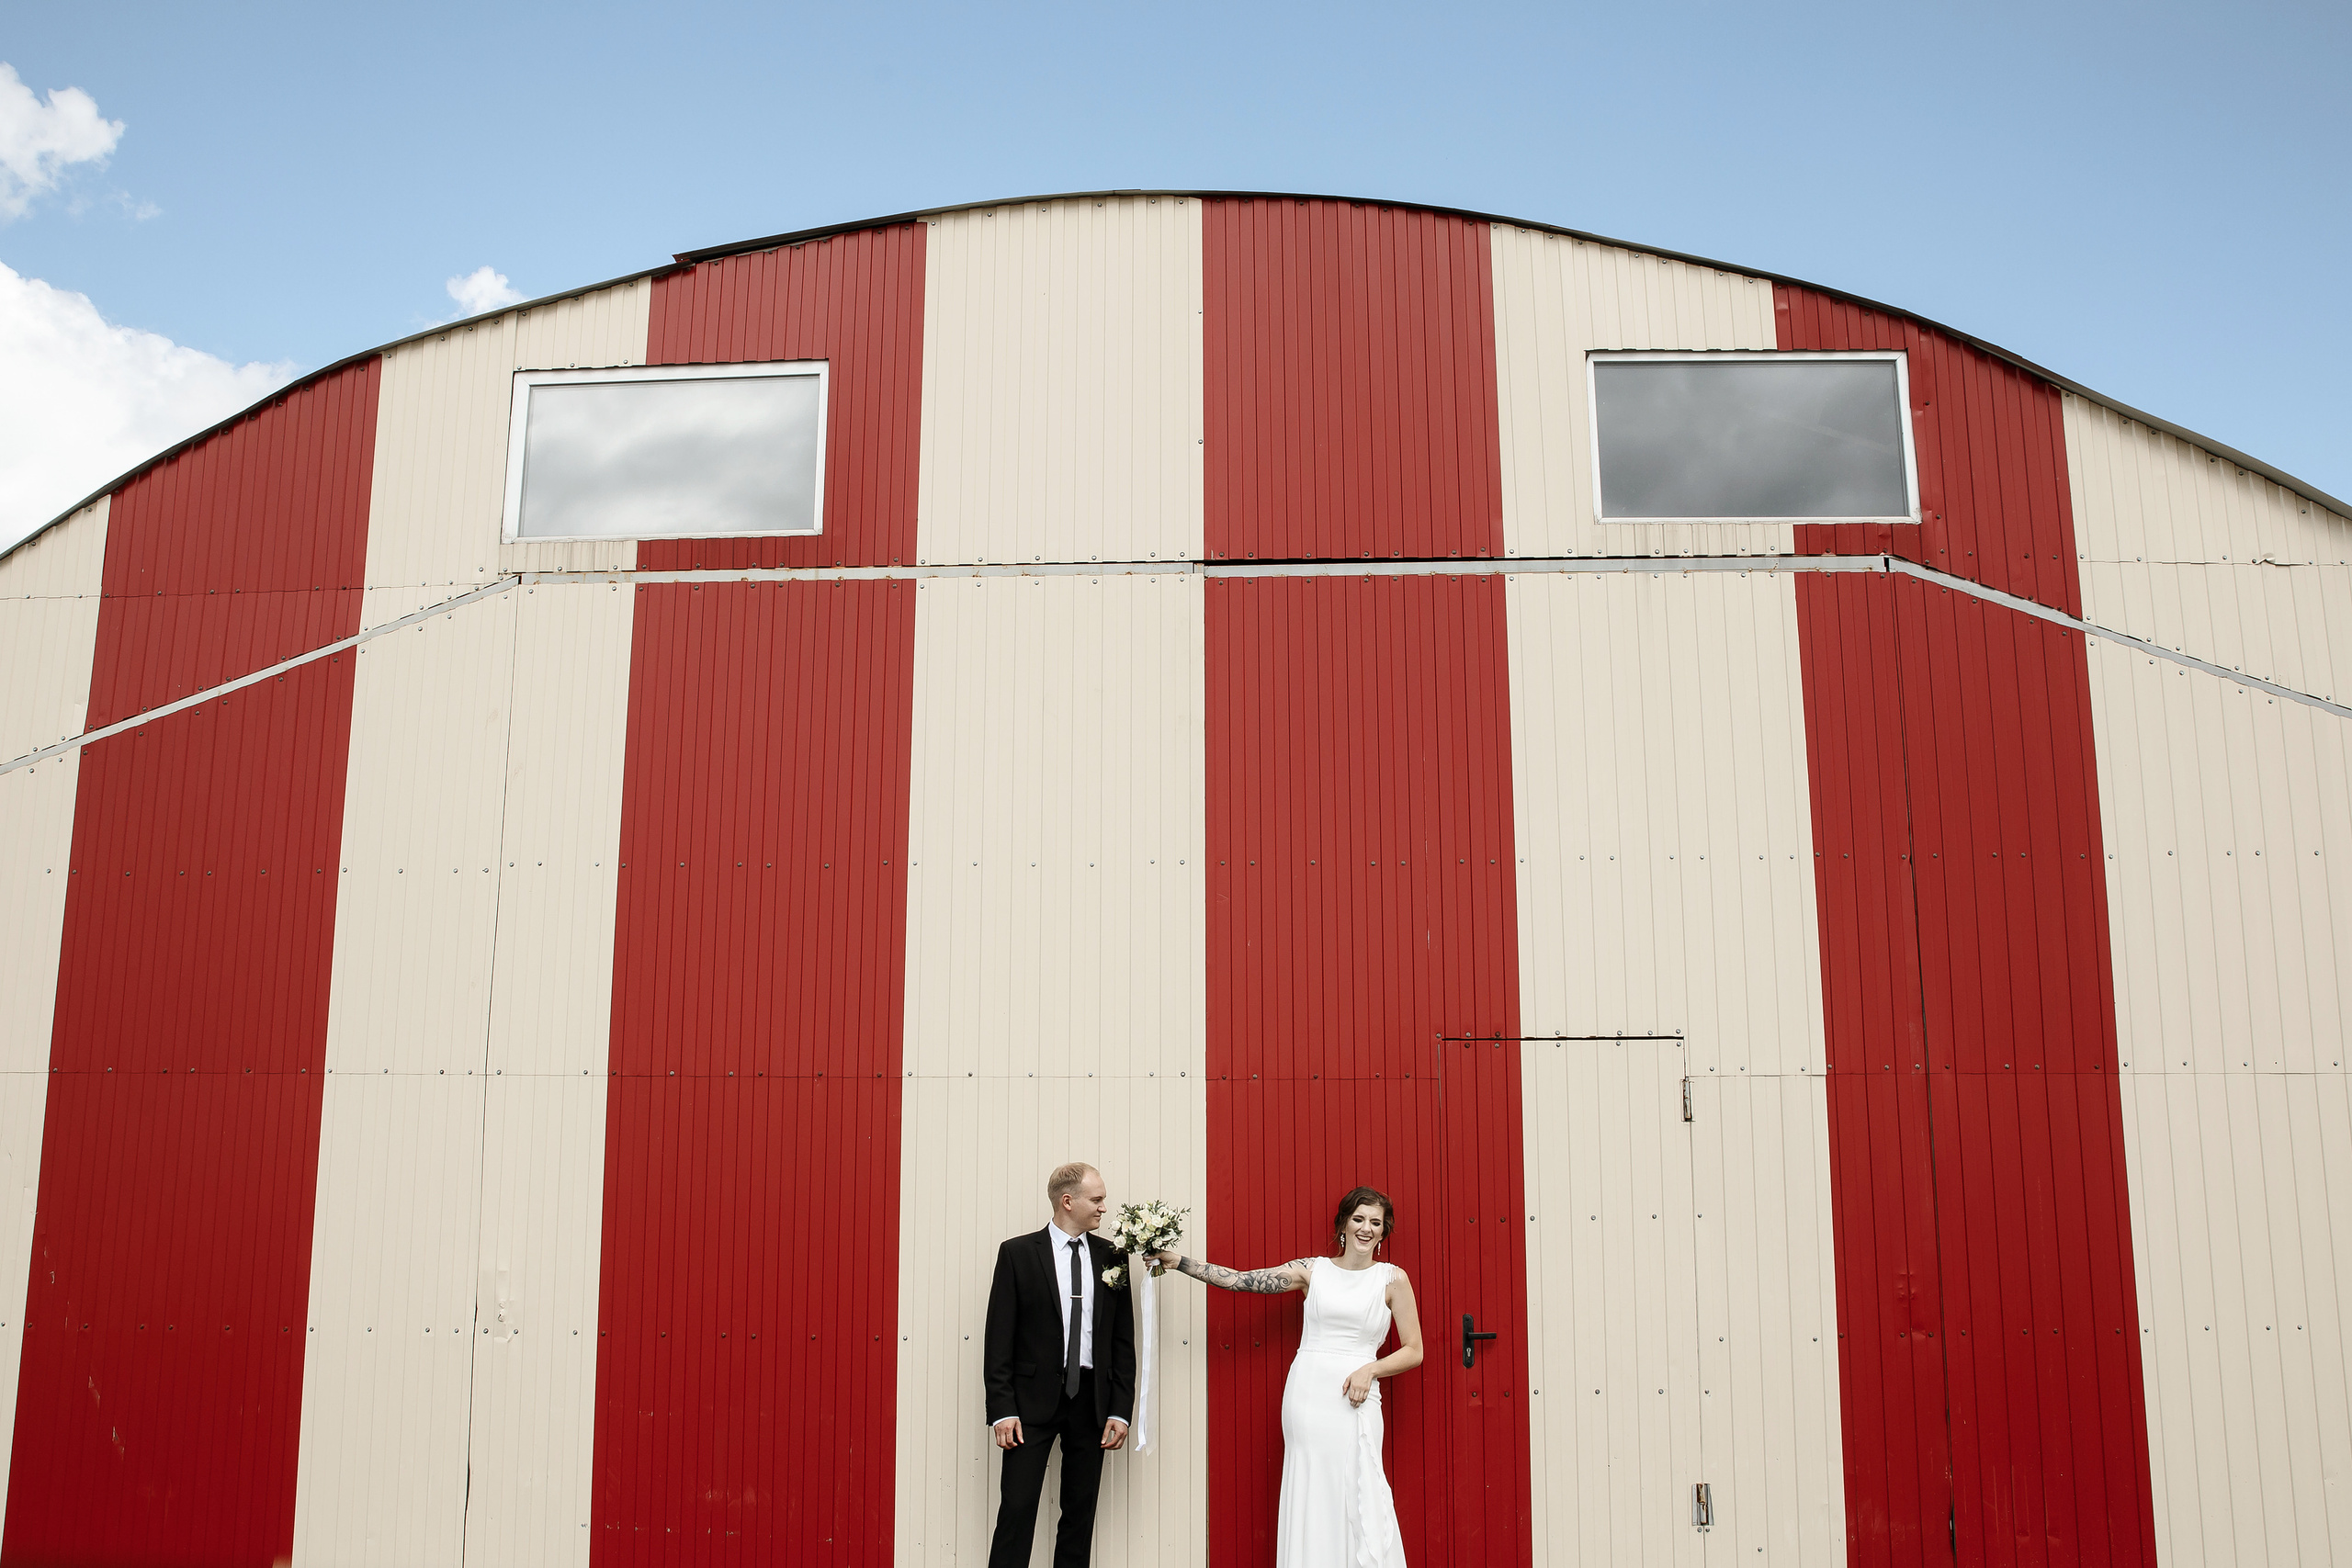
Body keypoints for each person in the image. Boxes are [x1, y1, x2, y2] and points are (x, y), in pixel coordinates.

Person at [1152, 1186, 1424, 1568]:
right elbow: (1241, 1280)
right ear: (1343, 1224)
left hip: (1359, 1395)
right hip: (1309, 1394)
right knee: (1311, 1483)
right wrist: (1178, 1261)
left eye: (1375, 1223)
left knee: (1359, 1480)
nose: (1366, 1228)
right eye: (1359, 1219)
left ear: (1383, 1232)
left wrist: (1370, 1369)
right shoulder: (1312, 1271)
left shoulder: (1393, 1279)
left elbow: (1414, 1349)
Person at [984, 1162, 1136, 1568]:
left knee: (1079, 1513)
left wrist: (1120, 1409)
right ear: (1068, 1201)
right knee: (1017, 1510)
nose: (1104, 1207)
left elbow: (1123, 1341)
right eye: (1097, 1199)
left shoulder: (1113, 1256)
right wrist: (1003, 1410)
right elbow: (998, 1339)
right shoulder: (1017, 1253)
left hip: (1092, 1402)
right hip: (1029, 1405)